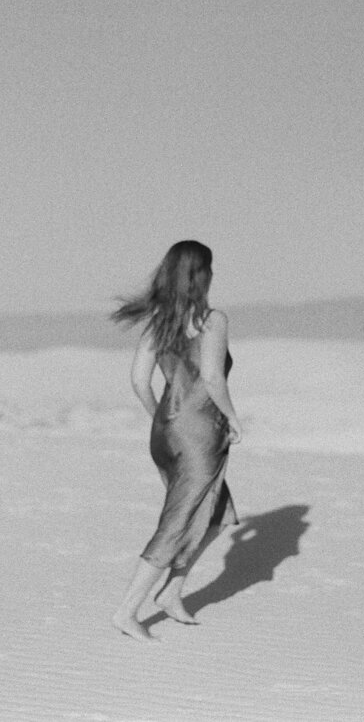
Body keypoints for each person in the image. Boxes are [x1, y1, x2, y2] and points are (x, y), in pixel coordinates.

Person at [109, 240, 243, 642]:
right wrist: (233, 418)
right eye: (210, 269)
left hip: (167, 431)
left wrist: (162, 419)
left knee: (217, 516)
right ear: (200, 275)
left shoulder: (159, 321)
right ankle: (127, 611)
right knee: (178, 522)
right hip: (200, 432)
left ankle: (171, 592)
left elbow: (138, 381)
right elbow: (212, 378)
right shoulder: (211, 320)